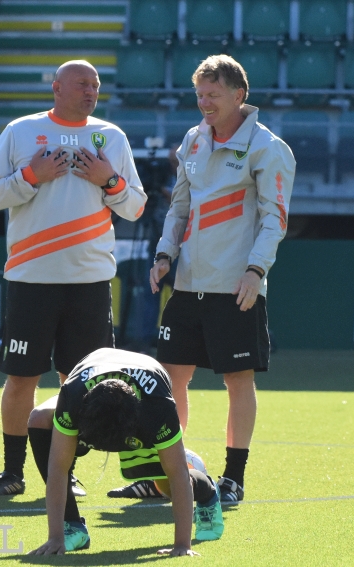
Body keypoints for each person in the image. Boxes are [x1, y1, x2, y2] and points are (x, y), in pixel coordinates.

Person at [108, 54, 295, 504]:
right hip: (188, 284)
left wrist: (255, 271)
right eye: (199, 95)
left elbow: (275, 219)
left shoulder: (269, 148)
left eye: (213, 95)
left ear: (238, 95)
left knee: (238, 381)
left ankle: (233, 479)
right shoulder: (192, 140)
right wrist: (164, 254)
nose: (204, 103)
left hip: (236, 287)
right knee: (169, 378)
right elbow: (179, 207)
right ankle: (162, 476)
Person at [0, 60, 147, 496]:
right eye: (82, 84)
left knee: (81, 383)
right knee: (21, 378)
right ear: (56, 88)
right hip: (32, 278)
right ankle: (12, 472)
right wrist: (31, 176)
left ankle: (66, 472)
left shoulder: (112, 137)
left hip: (90, 281)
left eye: (96, 84)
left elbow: (136, 207)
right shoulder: (21, 131)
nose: (91, 91)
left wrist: (111, 181)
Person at [27, 348, 223, 555]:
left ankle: (207, 492)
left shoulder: (157, 407)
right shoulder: (73, 396)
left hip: (143, 392)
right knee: (39, 419)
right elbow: (58, 467)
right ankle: (72, 526)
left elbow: (178, 473)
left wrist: (182, 546)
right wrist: (55, 537)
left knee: (164, 484)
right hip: (94, 379)